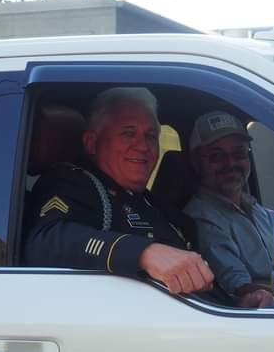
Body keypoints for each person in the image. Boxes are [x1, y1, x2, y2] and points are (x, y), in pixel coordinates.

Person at [23, 87, 214, 295]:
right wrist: (144, 253)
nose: (143, 146)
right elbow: (44, 242)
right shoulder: (72, 183)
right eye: (128, 133)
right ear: (91, 143)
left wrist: (240, 298)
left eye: (151, 136)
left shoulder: (152, 203)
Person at [183, 111, 274, 308]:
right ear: (196, 161)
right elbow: (237, 284)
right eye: (217, 156)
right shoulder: (200, 218)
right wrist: (257, 294)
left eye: (239, 153)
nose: (231, 163)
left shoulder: (258, 210)